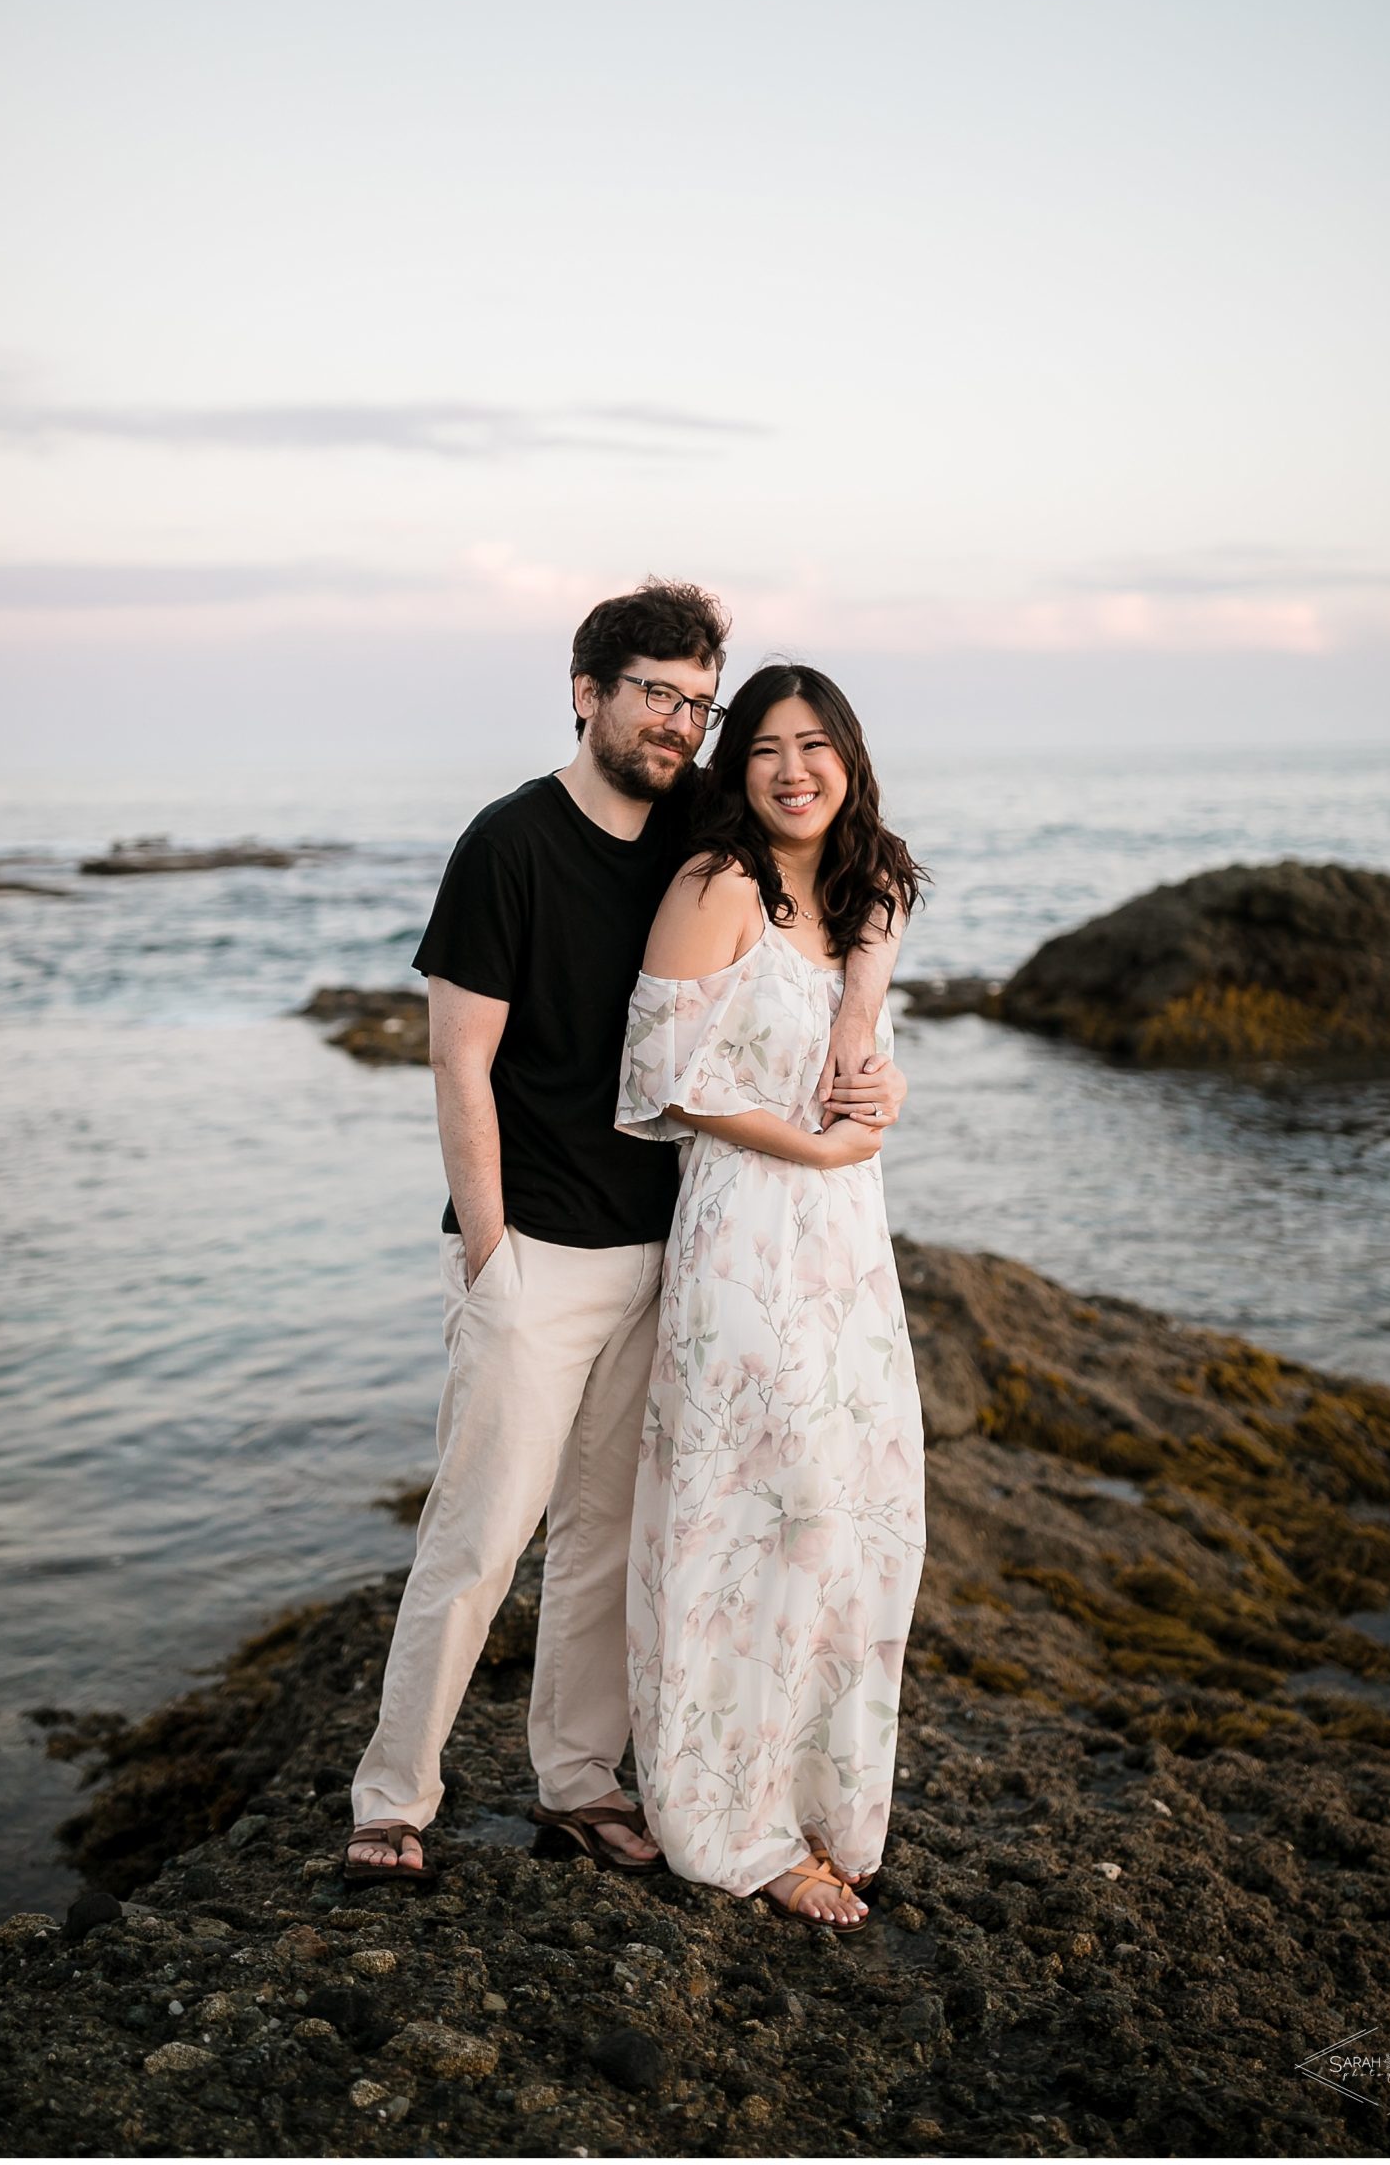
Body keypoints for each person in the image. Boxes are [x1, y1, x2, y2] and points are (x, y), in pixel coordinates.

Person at [345, 584, 909, 1881]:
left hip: (671, 1257)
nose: (678, 721)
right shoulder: (507, 844)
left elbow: (854, 883)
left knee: (606, 1541)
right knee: (480, 1537)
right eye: (654, 692)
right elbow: (458, 1064)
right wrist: (487, 1256)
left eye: (695, 703)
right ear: (587, 691)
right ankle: (391, 1801)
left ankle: (578, 1786)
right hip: (534, 1254)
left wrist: (863, 1038)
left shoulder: (694, 843)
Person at [615, 662, 928, 1929]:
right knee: (756, 1514)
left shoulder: (857, 894)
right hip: (746, 1231)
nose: (794, 769)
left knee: (856, 1513)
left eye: (817, 745)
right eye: (764, 749)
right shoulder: (715, 884)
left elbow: (861, 1065)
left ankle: (819, 1801)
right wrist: (815, 1145)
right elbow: (665, 1080)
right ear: (733, 768)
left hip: (849, 1243)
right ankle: (730, 1825)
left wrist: (879, 1075)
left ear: (849, 757)